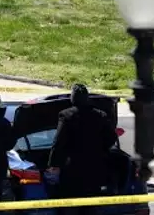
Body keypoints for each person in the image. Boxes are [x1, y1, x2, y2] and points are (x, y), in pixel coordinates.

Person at [46, 84, 117, 215]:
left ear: (73, 98)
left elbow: (59, 143)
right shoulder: (100, 115)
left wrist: (53, 165)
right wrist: (101, 150)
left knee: (70, 205)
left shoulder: (66, 116)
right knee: (91, 206)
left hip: (73, 169)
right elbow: (111, 138)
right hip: (95, 168)